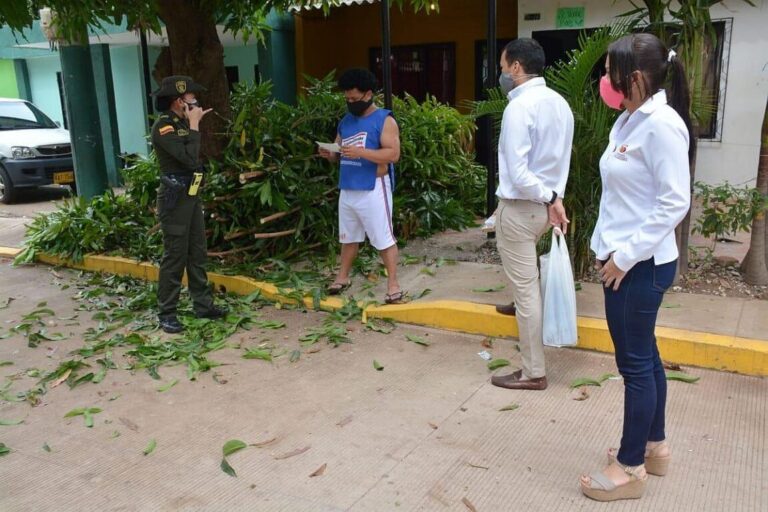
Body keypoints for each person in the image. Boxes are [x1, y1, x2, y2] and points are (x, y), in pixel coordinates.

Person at [580, 34, 692, 501]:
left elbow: (674, 202)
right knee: (645, 357)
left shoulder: (661, 125)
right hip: (623, 258)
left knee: (635, 367)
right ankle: (655, 446)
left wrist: (623, 259)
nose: (604, 80)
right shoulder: (629, 121)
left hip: (639, 267)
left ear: (637, 78)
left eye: (610, 72)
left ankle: (630, 467)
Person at [490, 38, 573, 391]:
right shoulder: (559, 103)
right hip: (544, 209)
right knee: (525, 283)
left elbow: (519, 173)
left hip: (525, 206)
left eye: (503, 67)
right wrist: (555, 198)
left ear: (517, 68)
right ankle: (520, 306)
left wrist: (549, 195)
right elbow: (561, 160)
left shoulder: (519, 108)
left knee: (527, 291)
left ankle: (532, 372)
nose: (502, 74)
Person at [318, 68, 404, 304]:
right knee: (348, 237)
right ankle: (342, 277)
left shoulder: (384, 119)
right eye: (347, 99)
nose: (350, 103)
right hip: (348, 187)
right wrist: (329, 152)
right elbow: (339, 150)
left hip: (374, 187)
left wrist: (361, 152)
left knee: (384, 239)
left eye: (354, 99)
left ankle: (393, 284)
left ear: (368, 95)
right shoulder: (346, 121)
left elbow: (393, 154)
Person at [151, 75, 227, 334]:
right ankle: (167, 313)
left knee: (197, 251)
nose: (195, 100)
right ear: (178, 101)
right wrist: (194, 125)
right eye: (191, 97)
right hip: (174, 199)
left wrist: (192, 123)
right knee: (175, 256)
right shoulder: (164, 127)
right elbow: (187, 157)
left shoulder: (182, 124)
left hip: (191, 194)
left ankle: (203, 305)